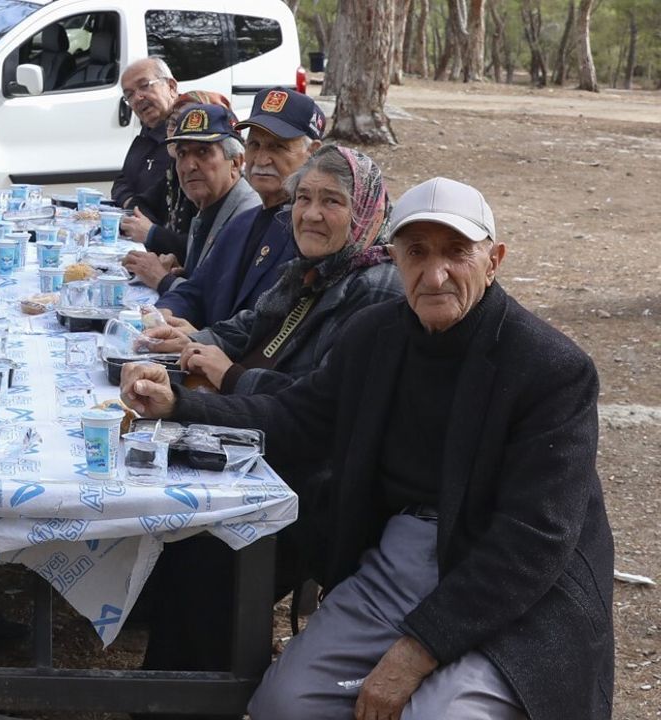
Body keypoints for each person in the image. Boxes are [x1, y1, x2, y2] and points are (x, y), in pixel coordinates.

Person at [121, 177, 614, 720]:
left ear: (493, 260)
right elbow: (296, 416)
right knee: (286, 705)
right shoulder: (376, 335)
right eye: (417, 252)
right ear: (394, 256)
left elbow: (534, 539)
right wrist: (180, 405)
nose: (435, 274)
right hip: (404, 553)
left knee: (437, 714)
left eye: (456, 253)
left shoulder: (550, 369)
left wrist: (418, 649)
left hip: (512, 581)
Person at [135, 145, 404, 683]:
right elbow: (248, 326)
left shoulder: (374, 290)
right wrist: (190, 340)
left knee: (203, 548)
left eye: (332, 201)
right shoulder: (312, 268)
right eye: (304, 198)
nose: (309, 213)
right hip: (261, 430)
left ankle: (201, 694)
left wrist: (226, 378)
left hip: (308, 478)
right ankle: (164, 679)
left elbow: (314, 405)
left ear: (367, 212)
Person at [152, 87, 325, 332]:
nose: (262, 159)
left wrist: (200, 340)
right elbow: (196, 291)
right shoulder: (243, 223)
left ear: (312, 153)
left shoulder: (311, 232)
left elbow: (269, 328)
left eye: (277, 147)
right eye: (254, 144)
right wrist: (164, 314)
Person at [121, 102, 259, 293]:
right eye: (182, 154)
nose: (188, 166)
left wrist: (162, 280)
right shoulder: (209, 205)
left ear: (235, 162)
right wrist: (184, 273)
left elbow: (217, 304)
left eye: (203, 152)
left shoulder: (247, 218)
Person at [120, 90, 232, 257]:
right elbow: (140, 201)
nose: (179, 131)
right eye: (174, 122)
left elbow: (206, 248)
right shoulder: (175, 168)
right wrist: (148, 227)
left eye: (202, 151)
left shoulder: (215, 183)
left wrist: (153, 234)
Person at [111, 57, 179, 209]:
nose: (137, 98)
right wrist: (132, 205)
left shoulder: (186, 134)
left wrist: (135, 208)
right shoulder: (149, 130)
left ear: (171, 87)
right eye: (129, 95)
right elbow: (121, 183)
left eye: (144, 85)